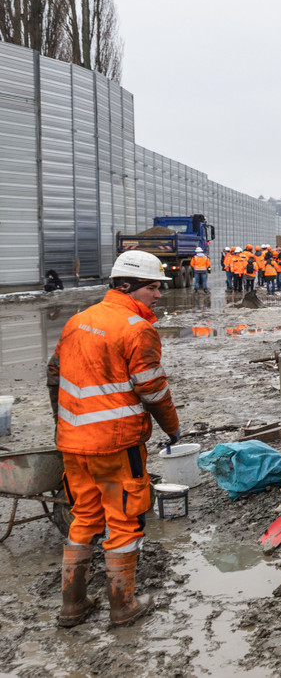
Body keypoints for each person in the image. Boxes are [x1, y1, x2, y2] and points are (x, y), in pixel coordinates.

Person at [46, 249, 181, 628]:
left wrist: (63, 423)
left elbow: (54, 373)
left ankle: (73, 606)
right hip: (116, 445)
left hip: (73, 443)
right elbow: (153, 390)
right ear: (127, 287)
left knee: (84, 516)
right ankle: (123, 605)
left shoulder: (79, 320)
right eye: (153, 288)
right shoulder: (137, 329)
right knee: (124, 520)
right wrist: (172, 427)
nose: (158, 295)